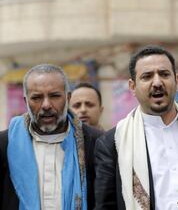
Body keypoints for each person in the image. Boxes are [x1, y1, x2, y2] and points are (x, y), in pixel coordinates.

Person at [94, 45, 178, 210]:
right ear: (132, 86)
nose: (157, 82)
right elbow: (105, 206)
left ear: (176, 80)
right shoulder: (112, 142)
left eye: (164, 74)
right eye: (147, 76)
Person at [0, 64, 102, 210]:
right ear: (26, 101)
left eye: (54, 96)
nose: (46, 105)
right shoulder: (5, 144)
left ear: (68, 98)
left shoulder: (95, 142)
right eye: (37, 98)